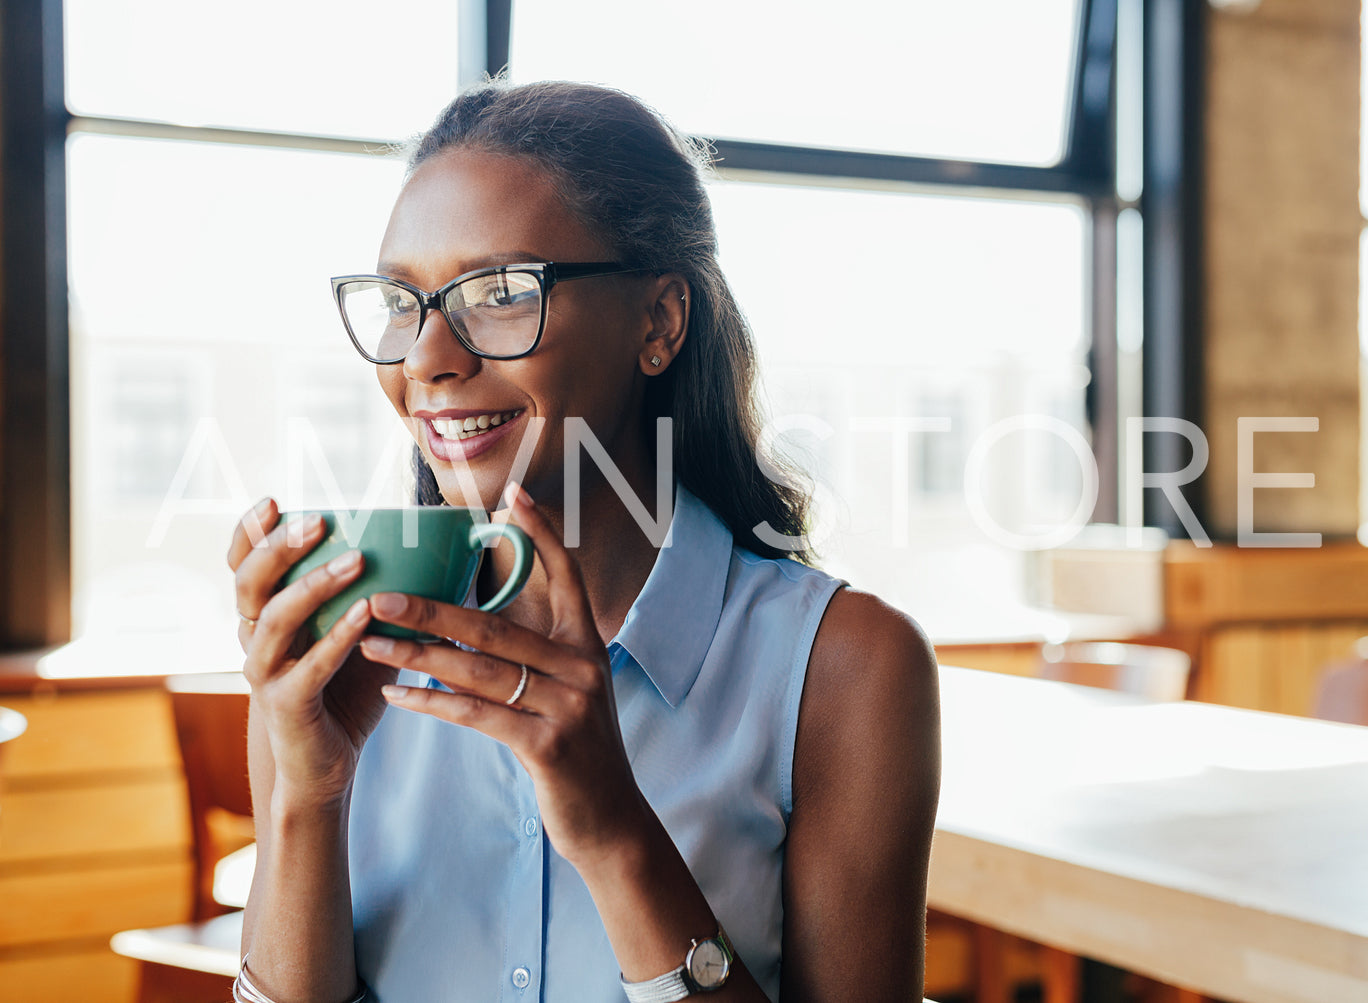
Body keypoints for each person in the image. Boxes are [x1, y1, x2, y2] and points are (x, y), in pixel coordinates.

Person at [226, 79, 940, 1003]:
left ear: (658, 321)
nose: (429, 359)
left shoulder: (848, 667)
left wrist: (610, 826)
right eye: (403, 303)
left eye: (497, 292)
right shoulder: (331, 654)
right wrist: (305, 795)